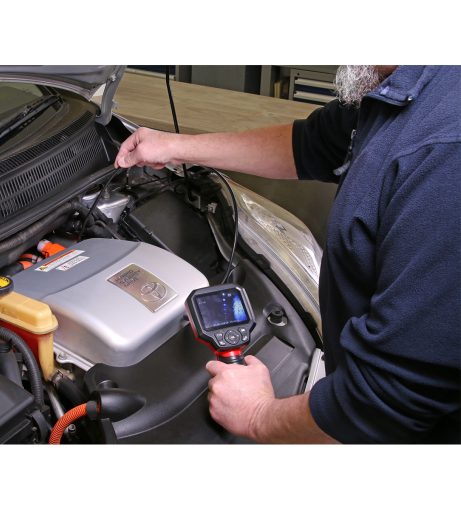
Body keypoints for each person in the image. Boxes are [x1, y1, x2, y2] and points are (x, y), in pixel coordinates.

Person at [115, 65, 461, 445]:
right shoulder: (400, 89)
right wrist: (175, 147)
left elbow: (387, 403)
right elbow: (312, 144)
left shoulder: (446, 153)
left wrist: (258, 415)